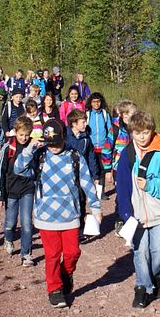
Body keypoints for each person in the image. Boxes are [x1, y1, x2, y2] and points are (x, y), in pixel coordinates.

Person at [18, 118, 101, 308]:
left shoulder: (75, 157)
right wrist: (31, 146)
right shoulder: (39, 156)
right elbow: (19, 169)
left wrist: (95, 207)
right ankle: (54, 289)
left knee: (73, 252)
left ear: (64, 138)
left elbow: (86, 182)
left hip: (70, 215)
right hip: (45, 217)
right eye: (50, 144)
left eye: (57, 143)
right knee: (52, 255)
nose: (53, 147)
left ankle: (65, 274)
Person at [115, 111, 160, 308]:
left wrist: (149, 185)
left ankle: (157, 274)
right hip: (136, 214)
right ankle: (142, 287)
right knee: (140, 252)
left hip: (156, 211)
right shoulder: (127, 154)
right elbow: (122, 186)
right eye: (137, 132)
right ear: (131, 132)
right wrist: (125, 213)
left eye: (146, 132)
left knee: (158, 250)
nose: (142, 136)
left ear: (152, 131)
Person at [0, 116, 39, 267]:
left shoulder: (34, 148)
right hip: (11, 190)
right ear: (15, 132)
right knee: (11, 222)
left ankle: (26, 254)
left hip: (27, 188)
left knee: (27, 223)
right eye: (21, 134)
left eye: (27, 135)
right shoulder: (8, 148)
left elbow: (37, 169)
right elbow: (0, 171)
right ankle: (8, 238)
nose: (24, 138)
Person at [102, 100, 137, 232]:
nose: (129, 116)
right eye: (126, 113)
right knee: (122, 194)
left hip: (135, 166)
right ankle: (120, 220)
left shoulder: (137, 128)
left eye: (132, 113)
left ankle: (133, 219)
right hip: (118, 168)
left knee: (135, 194)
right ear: (122, 114)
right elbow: (106, 150)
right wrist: (107, 170)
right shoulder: (115, 128)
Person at [65, 108, 100, 238]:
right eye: (83, 122)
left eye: (85, 122)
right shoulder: (65, 137)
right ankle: (69, 228)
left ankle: (79, 229)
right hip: (67, 175)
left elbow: (91, 157)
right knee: (69, 200)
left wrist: (95, 175)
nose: (85, 124)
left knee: (81, 200)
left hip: (82, 175)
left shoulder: (86, 139)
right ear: (74, 124)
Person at [87, 92, 111, 201]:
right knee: (92, 169)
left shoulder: (105, 114)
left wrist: (109, 143)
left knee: (102, 170)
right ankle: (91, 191)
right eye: (94, 102)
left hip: (103, 147)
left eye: (98, 101)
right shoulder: (87, 114)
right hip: (91, 147)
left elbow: (110, 130)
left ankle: (101, 192)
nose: (96, 104)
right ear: (90, 103)